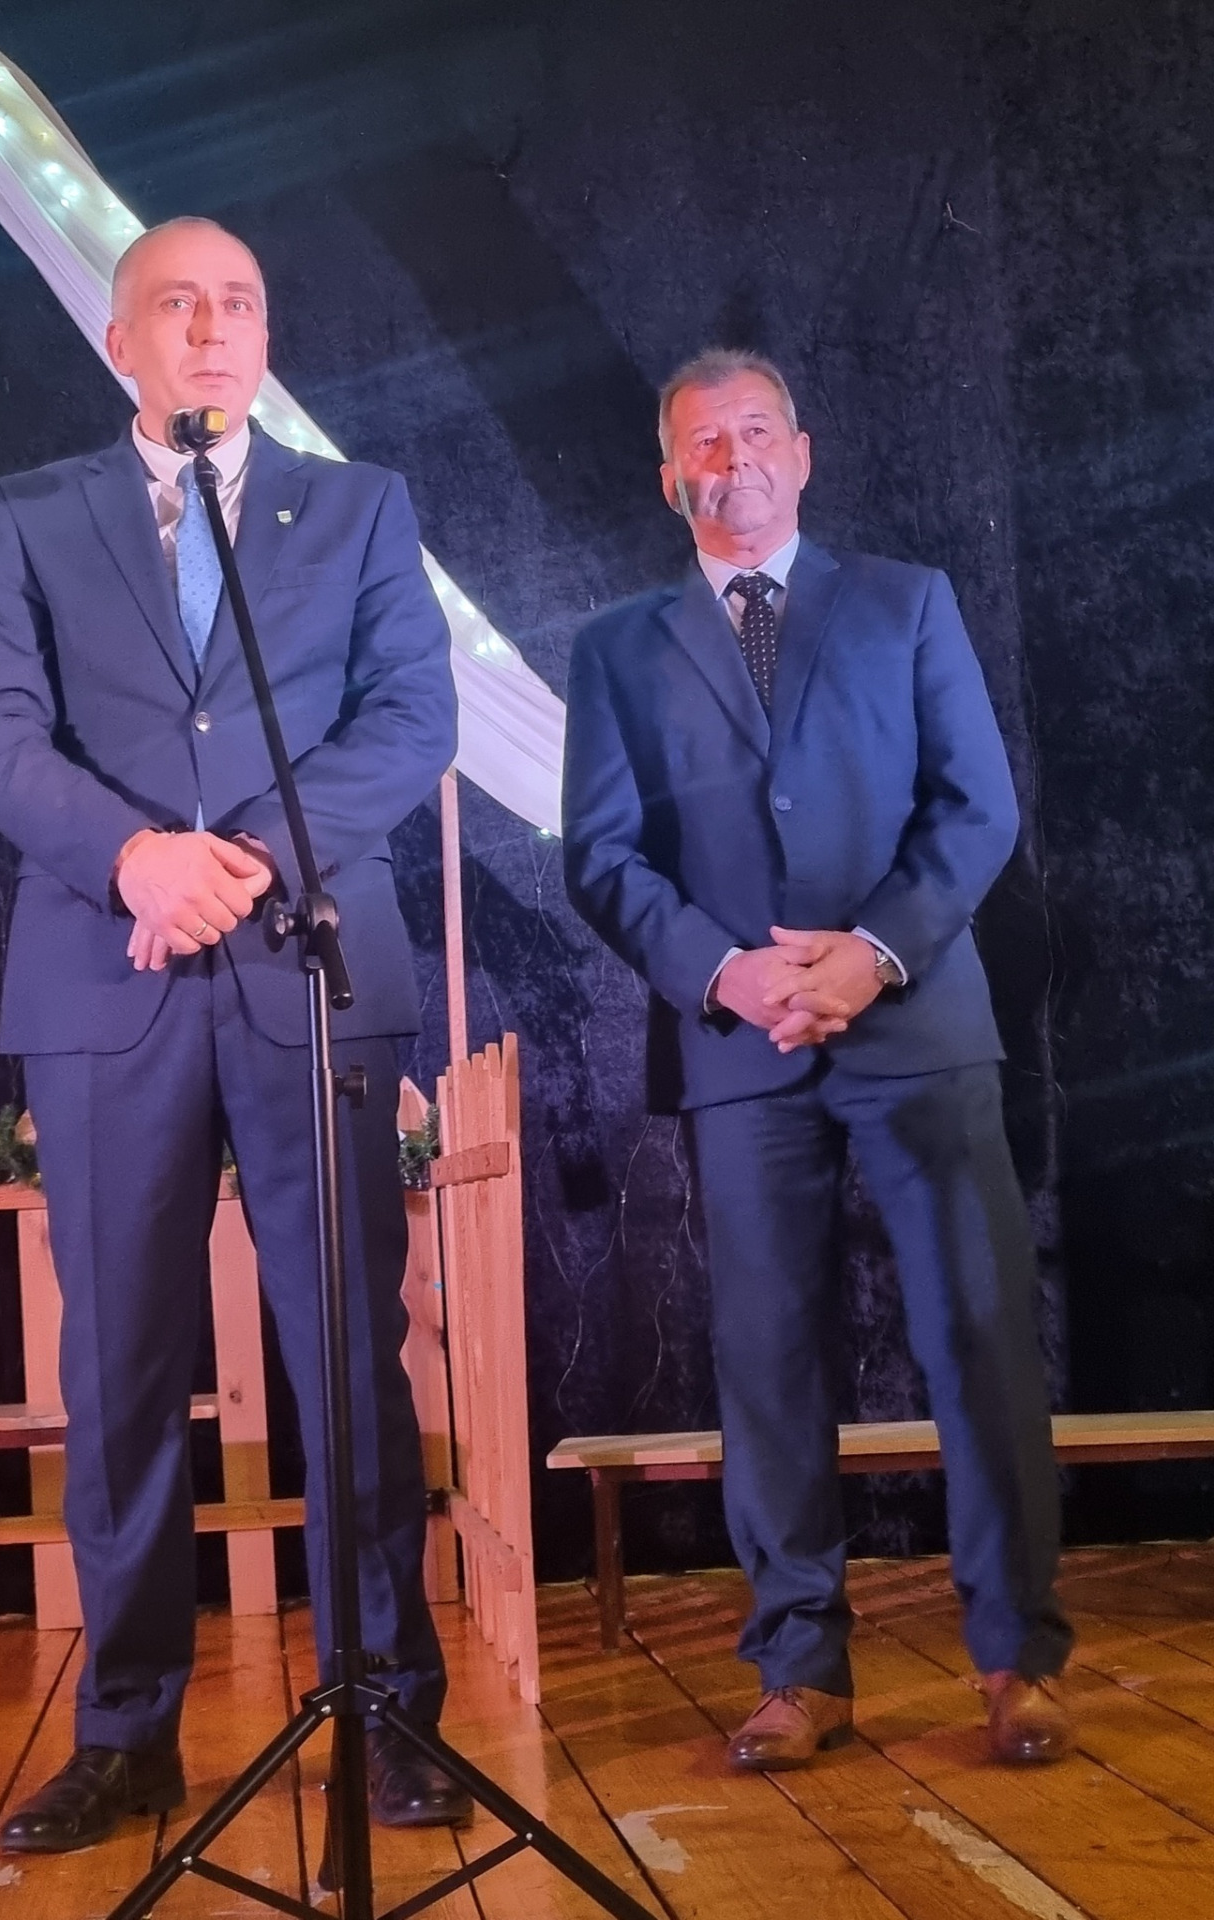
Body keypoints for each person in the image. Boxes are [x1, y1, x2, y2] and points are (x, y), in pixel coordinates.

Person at [0, 216, 471, 1850]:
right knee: (118, 1373)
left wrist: (237, 858)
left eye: (238, 303)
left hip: (305, 967)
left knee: (348, 1355)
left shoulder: (359, 507)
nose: (212, 328)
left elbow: (415, 715)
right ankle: (127, 1737)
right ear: (121, 340)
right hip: (106, 977)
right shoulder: (31, 513)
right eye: (177, 304)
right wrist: (134, 859)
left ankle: (387, 1710)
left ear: (265, 336)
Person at [561, 348, 1073, 1771]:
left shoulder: (908, 602)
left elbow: (976, 808)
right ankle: (799, 1668)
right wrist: (726, 972)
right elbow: (602, 856)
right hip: (742, 1042)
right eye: (702, 444)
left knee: (981, 1339)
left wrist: (873, 953)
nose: (733, 459)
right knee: (767, 1357)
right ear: (671, 480)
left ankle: (1019, 1658)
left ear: (803, 449)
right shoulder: (615, 648)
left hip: (916, 1023)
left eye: (755, 431)